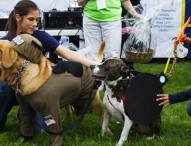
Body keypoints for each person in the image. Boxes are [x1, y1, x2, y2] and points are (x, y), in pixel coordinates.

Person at [0, 0, 99, 141]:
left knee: (38, 130)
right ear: (18, 17)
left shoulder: (40, 36)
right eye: (30, 19)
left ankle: (26, 115)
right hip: (15, 89)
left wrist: (96, 66)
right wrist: (7, 78)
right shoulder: (7, 42)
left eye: (37, 20)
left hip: (38, 89)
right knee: (3, 88)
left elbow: (69, 54)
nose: (35, 24)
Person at [77, 0, 142, 60]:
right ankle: (94, 72)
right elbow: (79, 2)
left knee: (112, 56)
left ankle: (111, 72)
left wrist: (135, 15)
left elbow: (124, 1)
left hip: (112, 19)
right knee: (92, 55)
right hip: (90, 19)